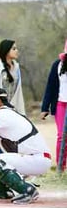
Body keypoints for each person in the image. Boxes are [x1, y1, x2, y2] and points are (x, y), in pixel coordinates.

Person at [40, 40, 67, 171]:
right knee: (62, 136)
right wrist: (45, 108)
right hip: (61, 104)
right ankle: (60, 167)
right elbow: (50, 86)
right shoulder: (58, 65)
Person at [0, 39, 25, 115]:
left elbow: (19, 92)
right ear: (6, 51)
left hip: (14, 108)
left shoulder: (17, 68)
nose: (16, 51)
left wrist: (21, 112)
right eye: (13, 49)